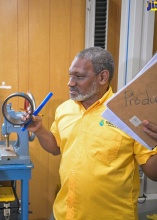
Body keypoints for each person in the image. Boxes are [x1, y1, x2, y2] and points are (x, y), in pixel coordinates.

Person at [25, 47, 157, 219]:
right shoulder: (65, 109)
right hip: (65, 213)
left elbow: (153, 173)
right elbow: (56, 147)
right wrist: (40, 130)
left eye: (79, 76)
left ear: (102, 77)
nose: (70, 82)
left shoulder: (127, 115)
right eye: (70, 75)